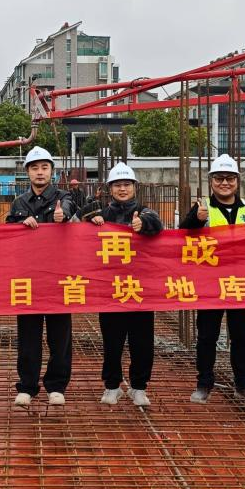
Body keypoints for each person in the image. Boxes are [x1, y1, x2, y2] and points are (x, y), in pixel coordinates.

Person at [179, 154, 245, 404]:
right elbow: (181, 236)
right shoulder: (202, 208)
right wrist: (196, 220)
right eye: (219, 178)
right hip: (210, 284)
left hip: (240, 283)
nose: (224, 183)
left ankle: (243, 384)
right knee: (207, 336)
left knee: (241, 336)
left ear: (237, 181)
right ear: (211, 181)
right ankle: (204, 384)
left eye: (229, 178)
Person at [7, 146, 76, 407]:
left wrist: (62, 215)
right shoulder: (19, 202)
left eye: (44, 167)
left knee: (60, 336)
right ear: (28, 172)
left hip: (59, 278)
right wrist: (19, 225)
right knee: (28, 336)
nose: (39, 172)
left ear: (51, 171)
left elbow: (68, 207)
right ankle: (27, 386)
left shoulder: (63, 196)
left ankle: (56, 386)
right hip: (29, 278)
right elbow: (8, 233)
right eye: (35, 168)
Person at [89, 162, 162, 406]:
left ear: (134, 187)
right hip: (110, 290)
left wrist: (144, 224)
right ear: (110, 189)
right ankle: (112, 386)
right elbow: (79, 227)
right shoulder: (102, 215)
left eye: (127, 185)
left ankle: (138, 387)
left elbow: (157, 223)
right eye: (118, 185)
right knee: (112, 342)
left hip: (139, 290)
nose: (122, 189)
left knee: (142, 342)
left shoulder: (144, 211)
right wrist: (92, 221)